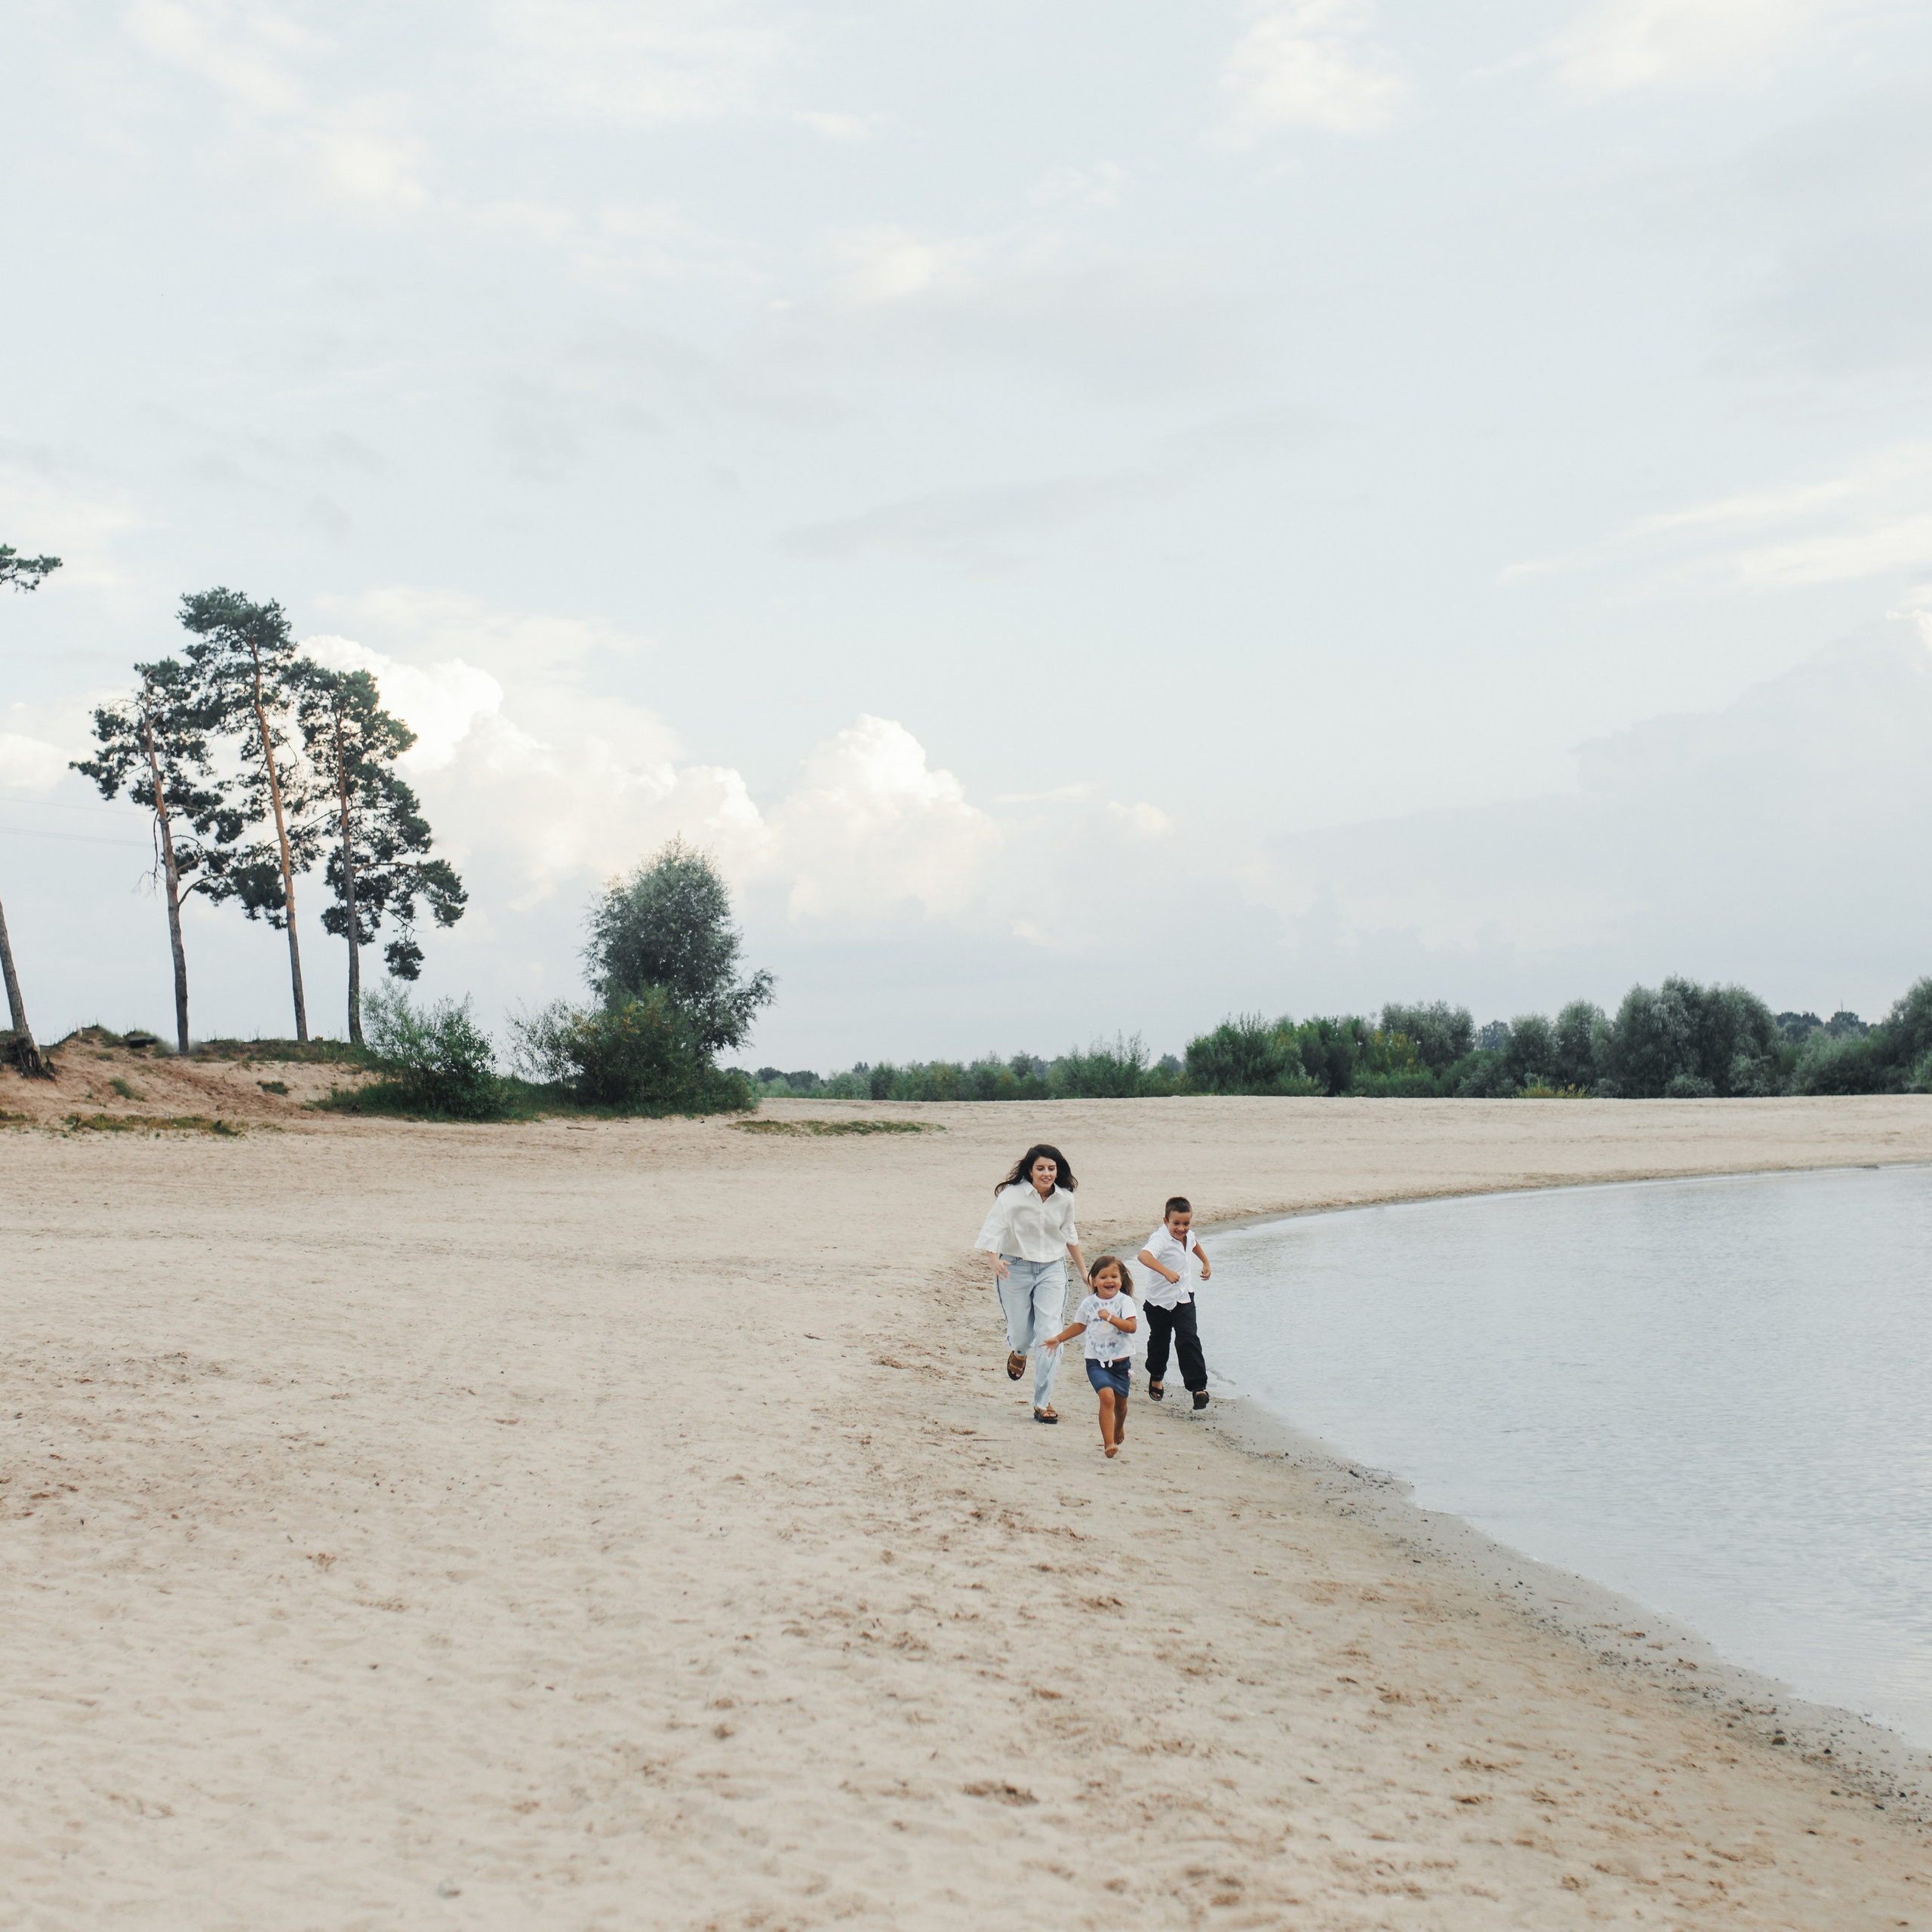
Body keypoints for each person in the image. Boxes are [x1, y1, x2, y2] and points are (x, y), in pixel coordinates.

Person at [976, 1143, 1088, 1424]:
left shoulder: (1065, 1199)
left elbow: (1070, 1234)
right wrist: (994, 1260)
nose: (1047, 1173)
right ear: (1030, 1170)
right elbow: (992, 1229)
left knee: (1050, 1333)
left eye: (1051, 1168)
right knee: (1022, 1334)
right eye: (1041, 1168)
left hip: (1052, 1269)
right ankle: (1019, 1351)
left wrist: (1085, 1273)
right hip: (1015, 1268)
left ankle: (1042, 1401)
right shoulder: (1011, 1196)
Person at [1043, 1254, 1139, 1457]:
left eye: (1114, 1277)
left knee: (1121, 1407)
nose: (1109, 1281)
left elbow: (1131, 1327)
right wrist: (1058, 1339)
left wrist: (1111, 1318)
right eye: (1103, 1277)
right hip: (1096, 1362)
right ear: (1093, 1281)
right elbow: (1080, 1325)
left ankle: (1119, 1427)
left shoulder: (1125, 1302)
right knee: (1106, 1397)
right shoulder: (1088, 1303)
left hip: (1121, 1365)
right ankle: (1109, 1444)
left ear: (1121, 1280)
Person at [1137, 1195, 1211, 1411]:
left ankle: (1198, 1388)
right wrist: (1166, 1272)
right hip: (1159, 1301)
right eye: (1176, 1224)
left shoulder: (1189, 1235)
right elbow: (1144, 1256)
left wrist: (1206, 1262)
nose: (1181, 1228)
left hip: (1184, 1297)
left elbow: (1194, 1243)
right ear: (1165, 1221)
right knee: (1160, 1342)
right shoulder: (1160, 1239)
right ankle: (1157, 1375)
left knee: (1189, 1339)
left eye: (1186, 1223)